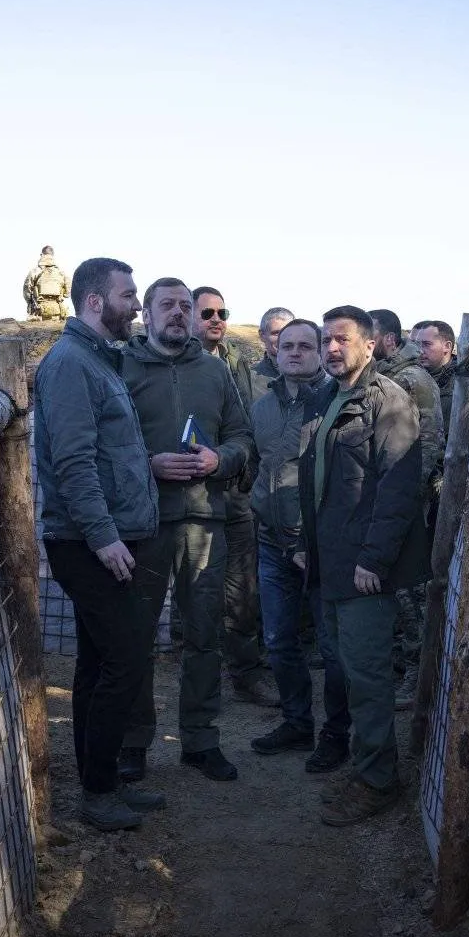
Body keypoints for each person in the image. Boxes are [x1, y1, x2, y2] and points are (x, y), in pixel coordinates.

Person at [34, 256, 167, 831]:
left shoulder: (96, 361)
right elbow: (73, 462)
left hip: (105, 537)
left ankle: (99, 779)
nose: (136, 306)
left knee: (96, 662)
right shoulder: (69, 365)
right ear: (95, 301)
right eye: (128, 295)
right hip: (90, 543)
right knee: (123, 662)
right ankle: (99, 793)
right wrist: (106, 538)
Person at [119, 278, 253, 783]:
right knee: (137, 636)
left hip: (203, 521)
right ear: (146, 315)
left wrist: (221, 459)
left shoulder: (215, 371)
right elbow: (106, 441)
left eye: (184, 306)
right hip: (143, 522)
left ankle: (199, 740)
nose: (177, 313)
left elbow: (242, 437)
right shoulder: (121, 366)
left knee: (203, 635)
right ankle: (134, 742)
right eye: (166, 306)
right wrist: (146, 464)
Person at [300, 306, 428, 826]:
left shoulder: (389, 403)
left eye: (343, 340)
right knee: (347, 670)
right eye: (327, 339)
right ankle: (366, 763)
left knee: (368, 676)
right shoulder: (331, 397)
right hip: (331, 563)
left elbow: (397, 490)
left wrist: (373, 560)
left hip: (361, 570)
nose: (332, 348)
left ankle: (379, 779)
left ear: (370, 345)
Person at [245, 319, 351, 771]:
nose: (295, 352)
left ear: (320, 351)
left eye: (305, 346)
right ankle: (296, 722)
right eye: (286, 345)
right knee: (279, 638)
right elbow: (259, 463)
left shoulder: (336, 403)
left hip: (320, 547)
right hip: (272, 542)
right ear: (274, 350)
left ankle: (336, 734)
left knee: (332, 648)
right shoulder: (263, 405)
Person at [193, 286, 277, 708]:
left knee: (242, 588)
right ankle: (195, 673)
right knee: (192, 586)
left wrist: (245, 467)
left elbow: (244, 422)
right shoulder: (173, 362)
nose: (216, 318)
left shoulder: (235, 361)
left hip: (234, 489)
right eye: (206, 311)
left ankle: (245, 673)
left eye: (222, 312)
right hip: (187, 493)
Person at [368, 309, 444, 712]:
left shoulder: (411, 380)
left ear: (389, 340)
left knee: (412, 591)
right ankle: (404, 663)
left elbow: (426, 443)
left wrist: (403, 502)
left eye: (372, 335)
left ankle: (418, 676)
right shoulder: (389, 376)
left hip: (408, 505)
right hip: (394, 504)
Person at [411, 319, 457, 435]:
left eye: (426, 344)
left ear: (447, 346)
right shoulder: (412, 376)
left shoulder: (461, 382)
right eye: (417, 344)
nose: (419, 350)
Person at [251, 307, 295, 404]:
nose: (284, 339)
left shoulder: (312, 375)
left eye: (288, 332)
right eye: (276, 333)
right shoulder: (249, 380)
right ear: (262, 335)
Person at [23, 246, 71, 321]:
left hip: (38, 311)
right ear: (52, 256)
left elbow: (27, 291)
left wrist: (30, 302)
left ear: (42, 255)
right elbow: (68, 293)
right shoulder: (61, 273)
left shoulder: (35, 271)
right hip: (58, 311)